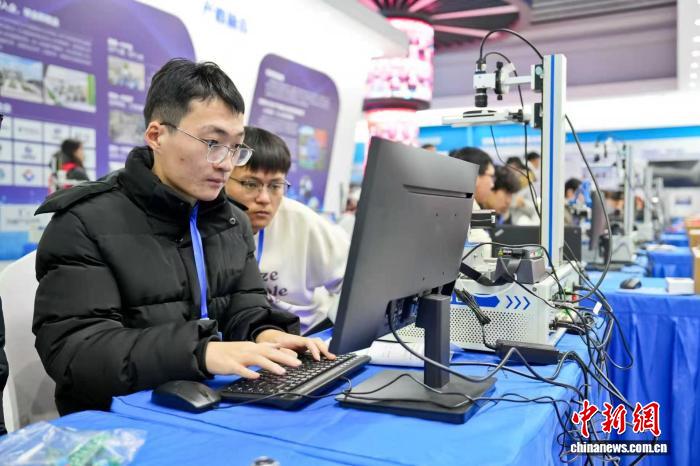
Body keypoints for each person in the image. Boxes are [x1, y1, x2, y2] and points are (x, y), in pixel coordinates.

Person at [32, 59, 332, 415]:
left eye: (236, 147)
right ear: (156, 136)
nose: (226, 163)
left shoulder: (231, 220)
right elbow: (76, 353)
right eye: (213, 143)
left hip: (217, 402)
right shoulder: (84, 222)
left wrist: (265, 333)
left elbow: (245, 306)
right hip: (122, 419)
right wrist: (200, 352)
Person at [225, 127, 350, 335]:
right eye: (250, 184)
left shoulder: (301, 221)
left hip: (306, 334)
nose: (264, 198)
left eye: (275, 186)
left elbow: (356, 282)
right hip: (244, 340)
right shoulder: (205, 224)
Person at [448, 147, 495, 255]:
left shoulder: (470, 206)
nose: (492, 184)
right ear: (475, 176)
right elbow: (485, 251)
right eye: (491, 176)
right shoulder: (462, 211)